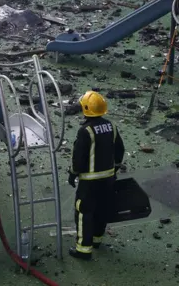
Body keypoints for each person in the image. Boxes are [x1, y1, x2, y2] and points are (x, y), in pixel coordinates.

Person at [68, 90, 125, 260]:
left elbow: (78, 158)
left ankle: (83, 249)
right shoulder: (111, 126)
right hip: (108, 179)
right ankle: (96, 240)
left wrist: (73, 174)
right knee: (101, 209)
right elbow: (120, 150)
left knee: (83, 211)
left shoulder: (85, 131)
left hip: (89, 182)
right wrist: (114, 169)